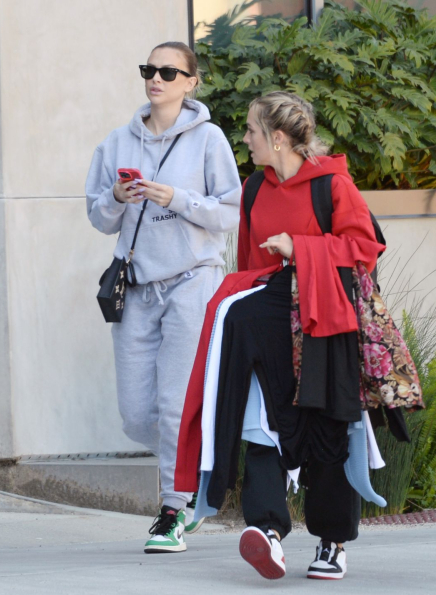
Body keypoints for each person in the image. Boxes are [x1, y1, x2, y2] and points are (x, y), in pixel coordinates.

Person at [174, 91, 390, 580]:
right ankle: (268, 531)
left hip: (326, 328)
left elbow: (363, 249)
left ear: (276, 137)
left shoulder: (333, 184)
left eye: (251, 130)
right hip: (270, 329)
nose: (245, 139)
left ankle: (332, 543)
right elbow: (251, 268)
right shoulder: (254, 189)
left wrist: (299, 247)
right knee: (260, 428)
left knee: (330, 431)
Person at [85, 41, 241, 554]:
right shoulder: (116, 143)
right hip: (138, 286)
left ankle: (173, 510)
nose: (157, 78)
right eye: (150, 70)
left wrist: (177, 198)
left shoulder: (209, 140)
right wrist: (116, 197)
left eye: (169, 72)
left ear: (191, 82)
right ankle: (196, 462)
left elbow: (230, 212)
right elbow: (98, 217)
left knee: (175, 403)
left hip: (193, 281)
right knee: (136, 413)